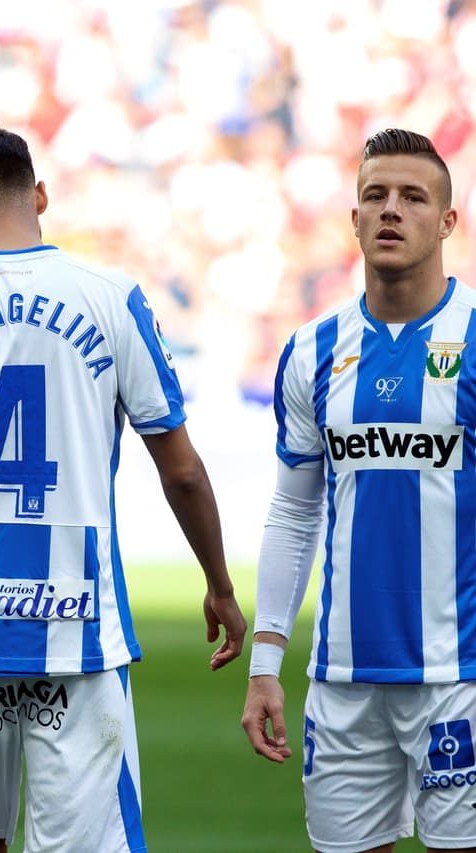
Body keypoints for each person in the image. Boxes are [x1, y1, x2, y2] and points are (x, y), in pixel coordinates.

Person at [0, 122, 246, 853]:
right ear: (40, 194)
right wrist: (218, 580)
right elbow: (180, 467)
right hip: (80, 629)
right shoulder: (113, 297)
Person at [242, 128, 476, 853]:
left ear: (446, 221)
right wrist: (264, 661)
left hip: (459, 676)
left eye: (412, 197)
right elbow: (293, 510)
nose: (391, 210)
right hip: (342, 680)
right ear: (353, 217)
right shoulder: (313, 349)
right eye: (374, 195)